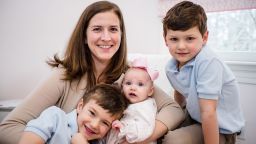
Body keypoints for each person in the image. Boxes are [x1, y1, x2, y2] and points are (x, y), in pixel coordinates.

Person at [0, 1, 184, 144]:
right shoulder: (63, 76)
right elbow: (7, 128)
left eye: (113, 29)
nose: (106, 37)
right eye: (97, 29)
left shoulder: (130, 76)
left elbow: (174, 109)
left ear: (121, 35)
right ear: (85, 37)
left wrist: (139, 138)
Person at [162, 1, 245, 144]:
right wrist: (178, 118)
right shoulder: (171, 67)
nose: (181, 46)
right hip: (196, 118)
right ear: (165, 40)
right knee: (162, 132)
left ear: (204, 38)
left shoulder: (208, 62)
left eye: (190, 38)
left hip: (220, 129)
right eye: (174, 39)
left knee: (172, 140)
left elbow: (209, 113)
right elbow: (179, 90)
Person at [18, 84, 128, 144]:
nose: (94, 125)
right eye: (92, 113)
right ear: (80, 106)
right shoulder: (55, 117)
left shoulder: (100, 141)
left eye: (105, 123)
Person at [106, 57, 159, 144]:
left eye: (140, 84)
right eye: (128, 83)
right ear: (122, 86)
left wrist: (123, 129)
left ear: (150, 91)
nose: (133, 88)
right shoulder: (125, 102)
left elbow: (144, 129)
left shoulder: (146, 107)